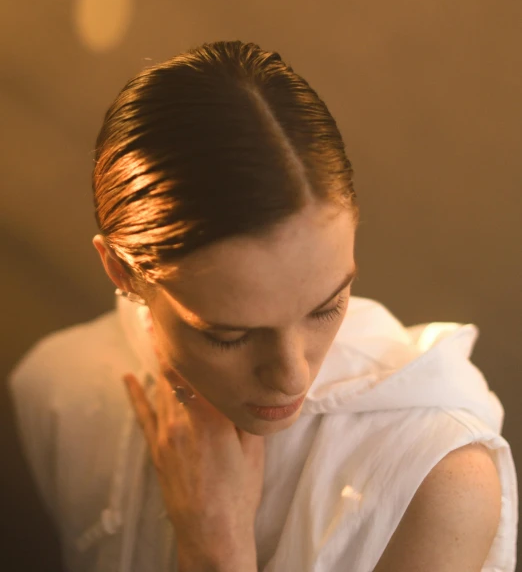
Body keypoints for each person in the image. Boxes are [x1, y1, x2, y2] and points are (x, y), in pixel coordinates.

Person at [7, 40, 518, 572]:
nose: (291, 375)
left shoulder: (435, 476)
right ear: (120, 271)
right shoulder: (59, 392)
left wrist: (216, 550)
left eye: (326, 307)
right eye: (229, 335)